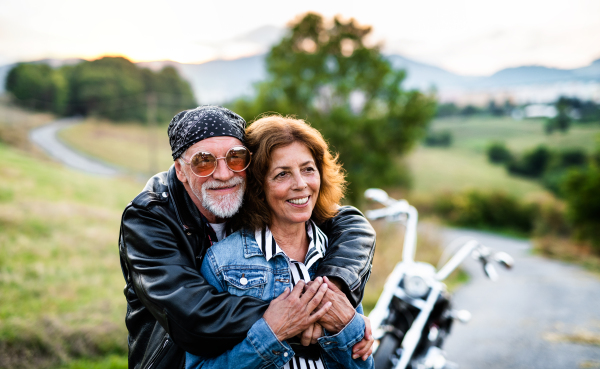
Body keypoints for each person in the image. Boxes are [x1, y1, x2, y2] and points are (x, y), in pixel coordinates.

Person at [119, 106, 376, 369]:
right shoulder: (149, 218)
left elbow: (349, 222)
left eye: (235, 157)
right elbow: (194, 318)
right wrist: (317, 318)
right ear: (181, 170)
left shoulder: (244, 194)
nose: (223, 173)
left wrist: (337, 299)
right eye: (203, 161)